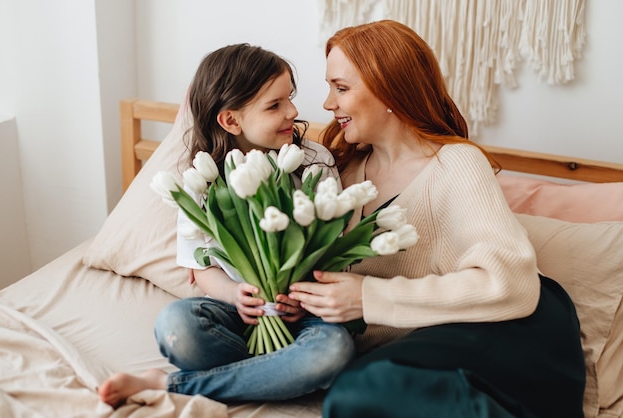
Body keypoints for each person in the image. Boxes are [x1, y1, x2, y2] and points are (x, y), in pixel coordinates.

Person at [288, 20, 586, 418]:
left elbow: (512, 283)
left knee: (359, 394)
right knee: (355, 394)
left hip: (504, 324)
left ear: (388, 88)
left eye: (341, 88)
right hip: (421, 343)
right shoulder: (338, 174)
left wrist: (366, 298)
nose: (328, 104)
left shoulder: (456, 163)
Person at [98, 43, 354, 407]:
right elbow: (201, 268)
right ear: (231, 121)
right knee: (176, 328)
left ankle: (169, 385)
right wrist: (234, 296)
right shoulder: (202, 181)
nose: (294, 112)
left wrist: (304, 300)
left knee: (333, 352)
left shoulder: (312, 163)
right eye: (275, 105)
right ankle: (279, 374)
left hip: (302, 314)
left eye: (289, 99)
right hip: (236, 311)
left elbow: (332, 251)